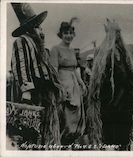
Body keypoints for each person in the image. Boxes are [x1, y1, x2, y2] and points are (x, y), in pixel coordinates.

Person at [10, 3, 62, 146]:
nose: (41, 29)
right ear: (30, 28)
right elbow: (20, 66)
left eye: (39, 26)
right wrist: (26, 92)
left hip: (44, 89)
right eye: (37, 26)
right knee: (32, 129)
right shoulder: (21, 41)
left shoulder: (39, 45)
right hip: (34, 91)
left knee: (46, 127)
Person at [50, 19, 87, 145]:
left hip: (74, 85)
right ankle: (61, 143)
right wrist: (60, 88)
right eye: (66, 33)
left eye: (71, 33)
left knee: (76, 116)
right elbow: (54, 70)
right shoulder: (55, 49)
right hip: (63, 84)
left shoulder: (72, 50)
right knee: (65, 117)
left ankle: (70, 144)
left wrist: (81, 82)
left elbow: (74, 69)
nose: (69, 36)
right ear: (61, 34)